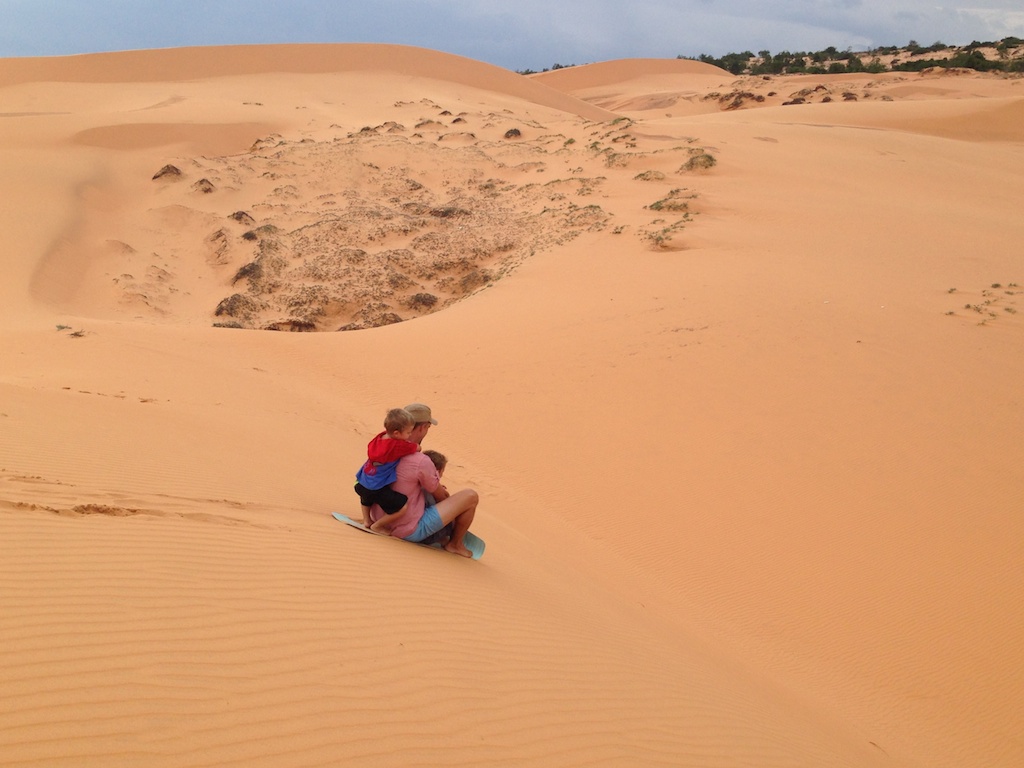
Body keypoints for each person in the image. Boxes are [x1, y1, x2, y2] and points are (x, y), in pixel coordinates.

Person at [367, 403, 480, 557]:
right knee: (470, 496)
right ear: (422, 427)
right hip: (406, 528)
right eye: (427, 427)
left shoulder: (381, 448)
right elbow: (441, 497)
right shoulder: (421, 460)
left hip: (376, 516)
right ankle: (455, 544)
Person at [353, 407, 419, 527]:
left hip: (361, 482)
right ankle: (378, 526)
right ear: (396, 433)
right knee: (403, 507)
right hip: (376, 489)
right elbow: (416, 448)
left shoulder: (380, 437)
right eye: (408, 432)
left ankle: (367, 520)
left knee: (366, 498)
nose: (410, 435)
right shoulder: (396, 446)